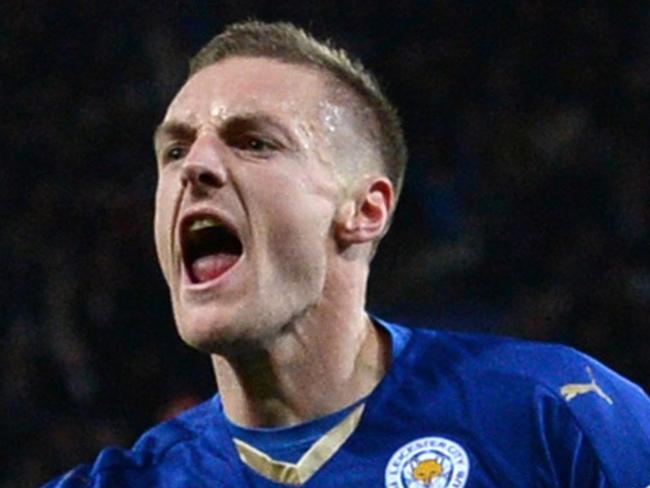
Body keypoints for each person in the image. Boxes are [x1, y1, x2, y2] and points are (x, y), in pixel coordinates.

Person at [45, 20, 650, 488]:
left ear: (366, 211)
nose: (195, 167)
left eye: (254, 143)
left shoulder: (550, 414)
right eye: (174, 152)